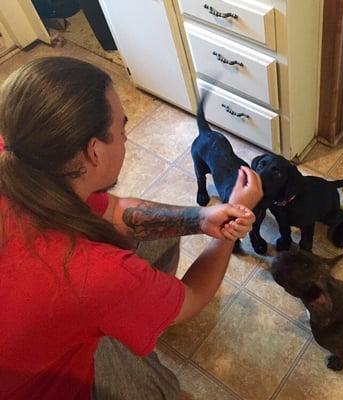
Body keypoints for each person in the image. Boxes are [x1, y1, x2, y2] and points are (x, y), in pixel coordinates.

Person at [0, 56, 263, 400]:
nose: (126, 139)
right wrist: (228, 232)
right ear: (93, 151)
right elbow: (192, 299)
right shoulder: (92, 273)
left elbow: (115, 210)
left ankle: (143, 312)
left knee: (162, 240)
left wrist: (200, 219)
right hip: (38, 387)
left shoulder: (21, 153)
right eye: (122, 131)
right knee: (163, 392)